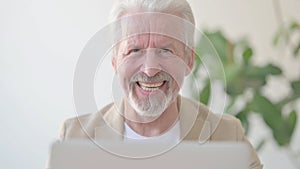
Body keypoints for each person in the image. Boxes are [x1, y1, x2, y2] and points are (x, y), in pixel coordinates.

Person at [52, 0, 263, 169]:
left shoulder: (227, 136)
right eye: (134, 50)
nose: (150, 69)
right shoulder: (73, 137)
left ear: (189, 60)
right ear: (115, 61)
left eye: (166, 50)